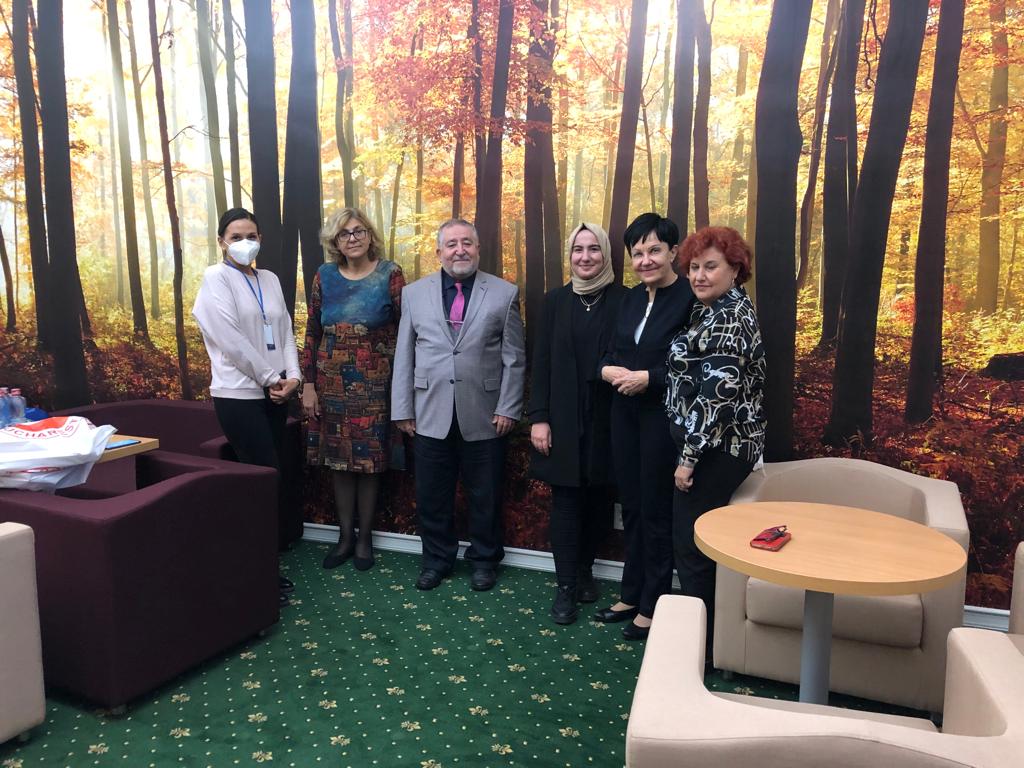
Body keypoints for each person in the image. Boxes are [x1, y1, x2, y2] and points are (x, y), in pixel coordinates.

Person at [391, 218, 526, 592]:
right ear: (439, 252)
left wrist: (508, 407)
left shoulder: (504, 293)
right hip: (428, 412)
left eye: (467, 242)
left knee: (485, 495)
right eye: (451, 244)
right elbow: (404, 354)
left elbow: (515, 358)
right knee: (432, 496)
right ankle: (436, 561)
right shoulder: (414, 294)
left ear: (478, 249)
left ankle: (484, 561)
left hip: (485, 413)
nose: (460, 250)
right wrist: (403, 409)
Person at [192, 207, 302, 607]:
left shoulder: (268, 279)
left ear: (260, 239)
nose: (244, 243)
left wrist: (293, 376)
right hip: (238, 395)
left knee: (274, 477)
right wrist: (272, 379)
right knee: (261, 479)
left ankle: (264, 561)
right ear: (222, 241)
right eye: (236, 236)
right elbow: (230, 340)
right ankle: (256, 572)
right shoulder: (215, 278)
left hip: (276, 393)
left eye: (251, 236)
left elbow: (285, 330)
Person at [667, 225, 766, 659]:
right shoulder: (712, 309)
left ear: (735, 269)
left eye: (710, 266)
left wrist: (688, 458)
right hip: (710, 447)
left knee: (693, 548)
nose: (699, 275)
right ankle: (703, 639)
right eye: (693, 267)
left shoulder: (729, 317)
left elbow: (716, 397)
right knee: (692, 545)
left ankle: (702, 649)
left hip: (716, 451)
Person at [594, 212, 694, 640]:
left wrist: (649, 378)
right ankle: (630, 593)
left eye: (655, 250)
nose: (646, 260)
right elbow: (610, 353)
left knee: (655, 510)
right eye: (638, 253)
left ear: (674, 252)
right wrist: (605, 370)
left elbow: (696, 368)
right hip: (624, 414)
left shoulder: (690, 298)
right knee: (631, 507)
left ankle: (654, 602)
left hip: (661, 418)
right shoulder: (630, 299)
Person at [528, 223, 626, 625]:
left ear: (606, 254)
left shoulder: (625, 300)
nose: (585, 257)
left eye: (593, 249)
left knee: (600, 499)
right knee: (566, 501)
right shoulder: (554, 301)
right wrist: (539, 418)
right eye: (577, 250)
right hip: (563, 417)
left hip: (609, 418)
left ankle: (586, 570)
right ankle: (565, 586)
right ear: (569, 255)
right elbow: (541, 363)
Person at [301, 208, 405, 572]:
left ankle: (365, 540)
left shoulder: (390, 274)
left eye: (359, 231)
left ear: (370, 235)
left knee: (369, 463)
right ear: (335, 242)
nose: (353, 238)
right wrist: (308, 384)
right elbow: (312, 331)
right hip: (330, 385)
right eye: (344, 234)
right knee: (339, 462)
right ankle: (344, 537)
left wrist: (403, 387)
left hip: (375, 385)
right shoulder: (324, 275)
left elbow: (406, 331)